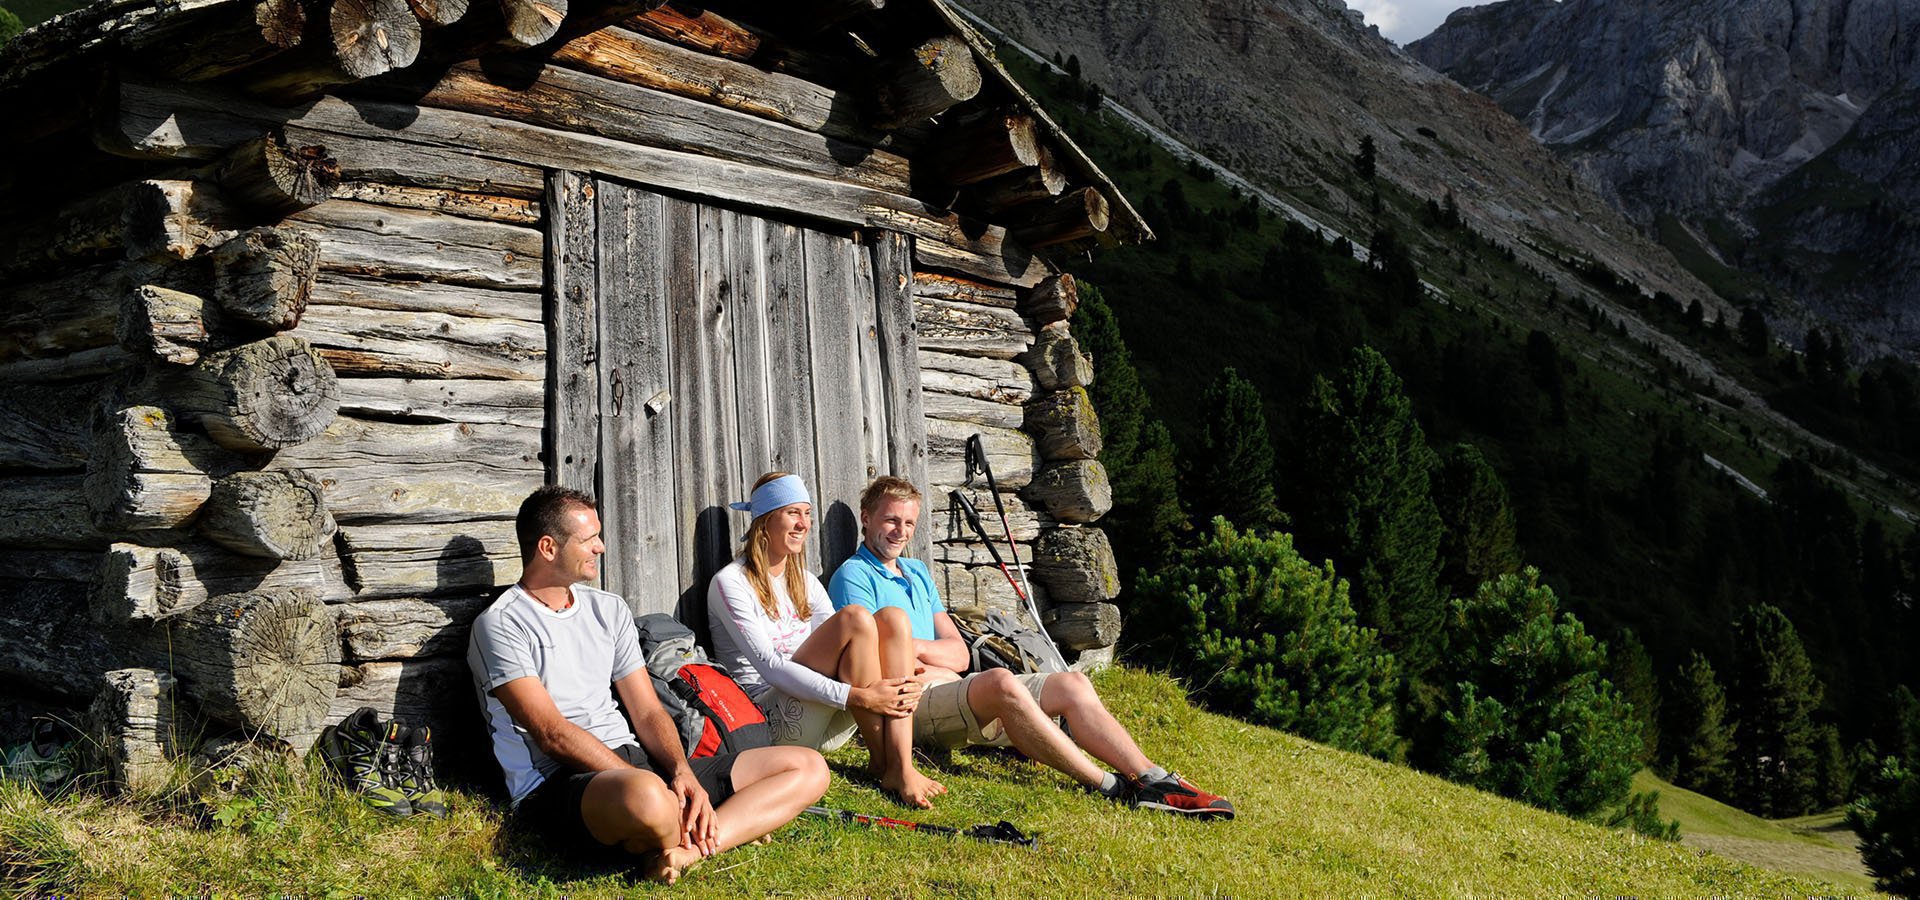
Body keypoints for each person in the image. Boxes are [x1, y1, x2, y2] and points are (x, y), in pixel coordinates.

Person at [468, 486, 828, 884]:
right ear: (549, 548)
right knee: (647, 799)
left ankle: (685, 850)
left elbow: (647, 709)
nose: (601, 547)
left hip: (641, 763)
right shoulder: (501, 623)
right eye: (588, 540)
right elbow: (551, 734)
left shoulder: (608, 608)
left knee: (808, 766)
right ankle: (731, 823)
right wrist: (654, 786)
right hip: (560, 779)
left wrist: (681, 774)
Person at [828, 475, 1236, 819]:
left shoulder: (917, 572)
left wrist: (912, 649)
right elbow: (875, 663)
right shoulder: (854, 576)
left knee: (1072, 684)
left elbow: (959, 652)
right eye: (891, 520)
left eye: (909, 522)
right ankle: (1111, 786)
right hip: (910, 707)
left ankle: (1152, 778)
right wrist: (922, 656)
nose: (900, 530)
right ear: (866, 519)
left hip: (951, 684)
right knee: (1002, 682)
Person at [707, 472, 948, 808]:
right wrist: (859, 697)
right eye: (792, 513)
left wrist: (899, 668)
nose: (803, 524)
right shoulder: (730, 582)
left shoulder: (805, 581)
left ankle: (897, 764)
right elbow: (771, 669)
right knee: (854, 618)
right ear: (764, 519)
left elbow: (858, 647)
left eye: (806, 513)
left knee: (892, 618)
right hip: (773, 723)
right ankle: (890, 766)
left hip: (827, 717)